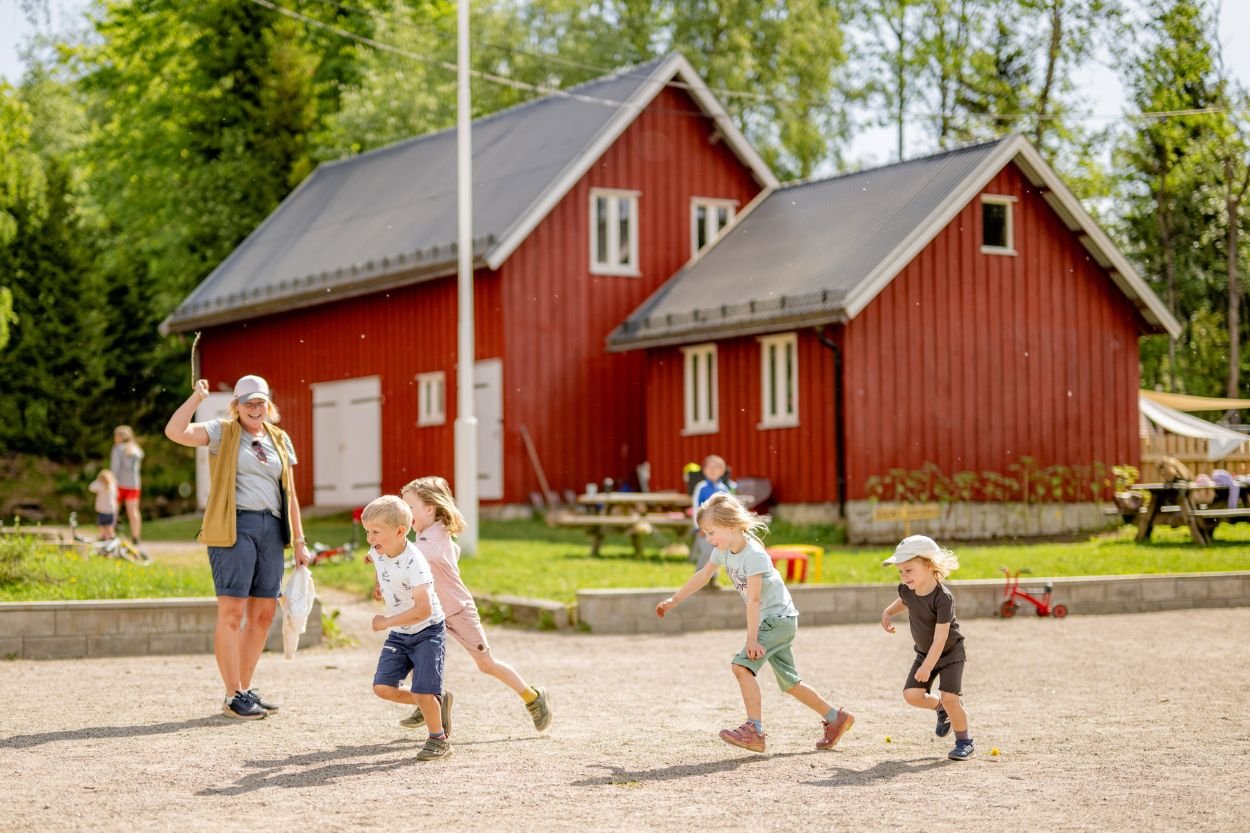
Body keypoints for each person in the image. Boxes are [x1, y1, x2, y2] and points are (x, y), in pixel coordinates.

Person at [655, 492, 854, 754]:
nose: (708, 539)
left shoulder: (754, 556)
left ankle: (754, 730)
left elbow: (755, 600)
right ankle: (835, 717)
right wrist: (675, 599)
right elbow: (703, 575)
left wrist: (752, 640)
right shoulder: (724, 550)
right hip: (780, 620)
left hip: (775, 619)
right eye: (705, 533)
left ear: (732, 525)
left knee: (741, 667)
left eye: (711, 532)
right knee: (791, 683)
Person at [164, 375, 308, 721]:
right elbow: (175, 432)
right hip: (234, 527)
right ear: (237, 406)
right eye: (248, 403)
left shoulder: (279, 438)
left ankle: (244, 687)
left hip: (272, 529)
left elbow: (290, 494)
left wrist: (300, 540)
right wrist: (196, 398)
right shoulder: (221, 431)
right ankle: (232, 696)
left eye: (261, 403)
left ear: (268, 405)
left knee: (264, 613)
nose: (255, 409)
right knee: (232, 611)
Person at [396, 476, 552, 733]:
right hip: (433, 613)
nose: (404, 513)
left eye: (409, 507)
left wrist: (389, 548)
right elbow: (448, 554)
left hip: (458, 610)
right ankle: (430, 701)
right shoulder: (427, 534)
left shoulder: (433, 537)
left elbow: (425, 554)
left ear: (429, 508)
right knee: (415, 652)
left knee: (486, 664)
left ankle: (533, 698)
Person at [363, 495, 453, 762]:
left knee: (424, 691)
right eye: (367, 531)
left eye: (375, 532)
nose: (370, 538)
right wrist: (379, 583)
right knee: (382, 687)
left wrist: (386, 622)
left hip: (427, 630)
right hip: (403, 632)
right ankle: (436, 704)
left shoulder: (416, 564)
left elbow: (423, 610)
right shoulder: (380, 548)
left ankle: (438, 739)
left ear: (401, 531)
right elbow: (371, 559)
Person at [880, 534, 974, 761]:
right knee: (912, 695)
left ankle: (964, 741)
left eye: (909, 570)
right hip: (924, 653)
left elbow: (941, 638)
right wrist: (888, 613)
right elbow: (905, 601)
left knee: (951, 697)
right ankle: (942, 709)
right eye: (900, 571)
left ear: (929, 565)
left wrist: (928, 665)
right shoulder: (907, 589)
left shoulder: (943, 598)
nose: (903, 576)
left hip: (950, 653)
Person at [690, 454, 731, 577]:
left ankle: (712, 579)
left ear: (722, 471)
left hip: (718, 528)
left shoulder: (724, 489)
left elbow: (728, 508)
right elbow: (696, 507)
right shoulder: (701, 487)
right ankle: (699, 578)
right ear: (704, 470)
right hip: (704, 528)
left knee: (716, 553)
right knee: (706, 553)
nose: (713, 470)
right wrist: (699, 527)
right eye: (710, 468)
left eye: (716, 468)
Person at [110, 426, 145, 543]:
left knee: (113, 510)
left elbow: (115, 468)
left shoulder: (117, 449)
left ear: (119, 437)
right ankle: (136, 537)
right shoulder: (136, 449)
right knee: (133, 512)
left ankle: (111, 534)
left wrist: (111, 482)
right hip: (134, 485)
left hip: (119, 484)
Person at [87, 468, 118, 540]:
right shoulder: (113, 486)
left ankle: (104, 536)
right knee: (109, 526)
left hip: (103, 511)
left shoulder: (100, 486)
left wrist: (98, 480)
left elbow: (91, 487)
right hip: (111, 511)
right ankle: (111, 537)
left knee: (101, 525)